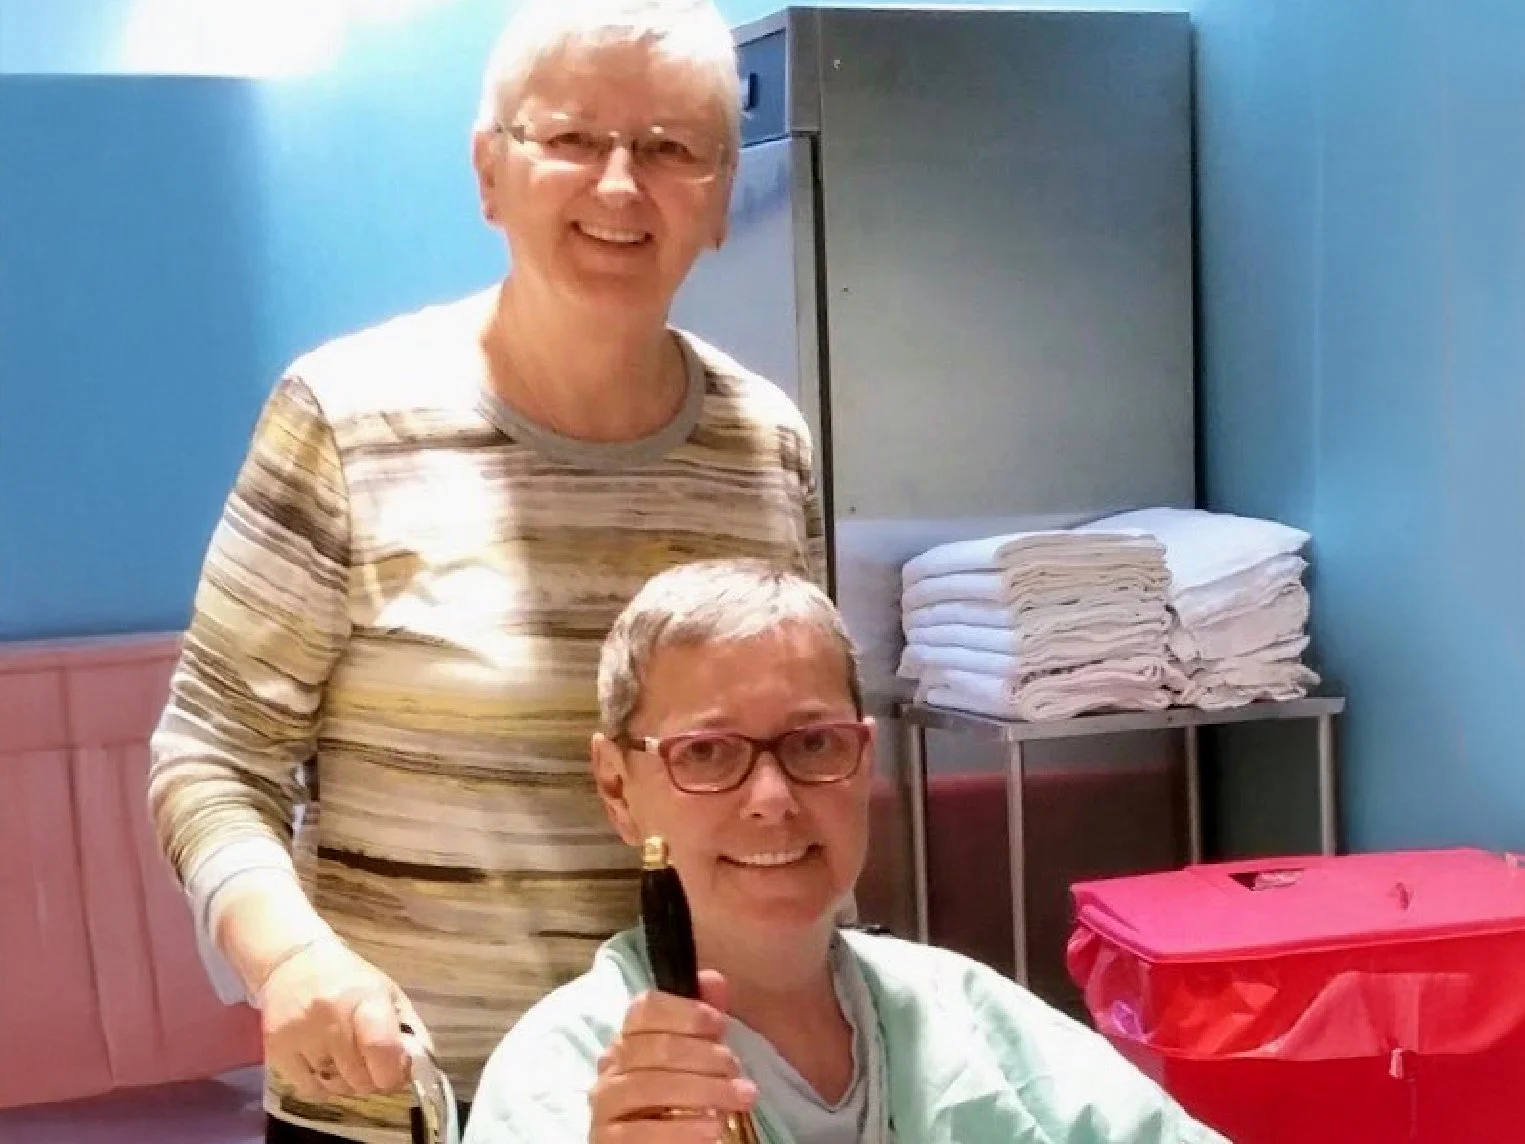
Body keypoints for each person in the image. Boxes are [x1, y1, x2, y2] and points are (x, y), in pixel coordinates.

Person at [146, 0, 824, 1139]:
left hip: (680, 1105)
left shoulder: (766, 446)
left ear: (718, 198)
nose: (619, 184)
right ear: (489, 173)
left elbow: (786, 778)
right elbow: (210, 756)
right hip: (401, 1104)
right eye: (571, 138)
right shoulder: (344, 417)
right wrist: (291, 958)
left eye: (669, 149)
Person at [464, 559, 1229, 1144]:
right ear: (616, 788)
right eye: (705, 753)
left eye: (814, 743)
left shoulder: (959, 1010)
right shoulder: (557, 1077)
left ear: (865, 760)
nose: (770, 797)